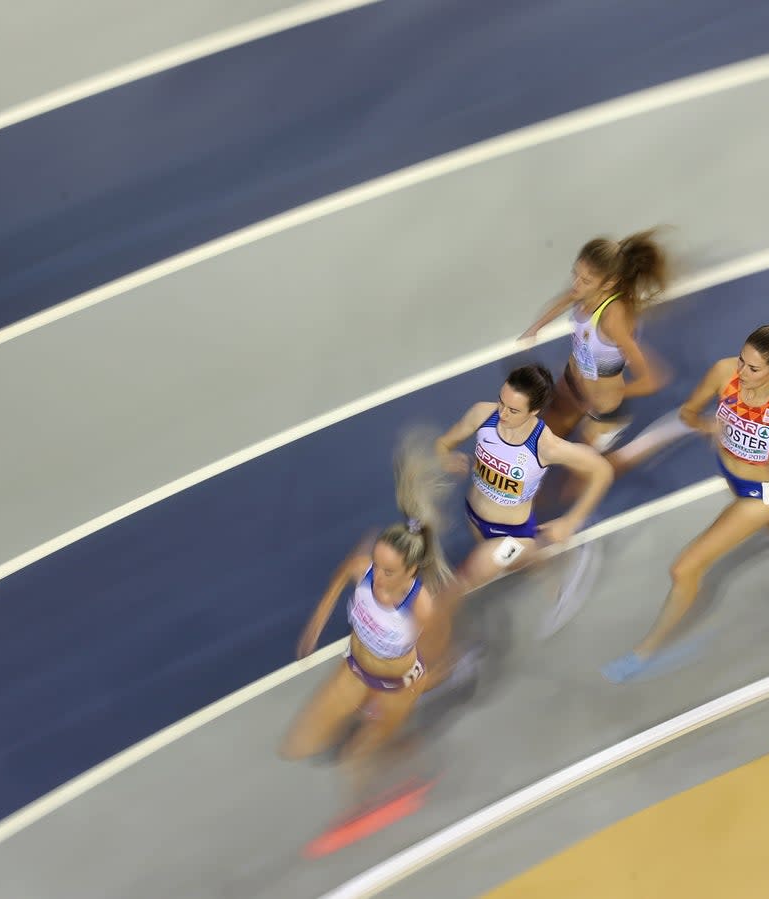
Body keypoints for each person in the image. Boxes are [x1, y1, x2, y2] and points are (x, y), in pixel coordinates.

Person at [604, 321, 769, 682]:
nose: (742, 372)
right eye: (742, 360)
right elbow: (688, 413)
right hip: (732, 477)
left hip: (760, 495)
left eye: (753, 368)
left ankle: (646, 651)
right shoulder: (724, 373)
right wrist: (707, 424)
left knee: (685, 568)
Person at [280, 430, 451, 847]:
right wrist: (314, 627)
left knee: (356, 755)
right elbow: (339, 581)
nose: (378, 576)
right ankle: (394, 744)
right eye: (378, 564)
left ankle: (358, 809)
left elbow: (430, 656)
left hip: (395, 687)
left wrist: (410, 689)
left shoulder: (421, 605)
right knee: (297, 744)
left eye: (388, 571)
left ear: (410, 572)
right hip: (354, 670)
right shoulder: (364, 567)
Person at [419, 364, 614, 674]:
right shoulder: (483, 414)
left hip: (512, 534)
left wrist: (571, 520)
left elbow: (602, 471)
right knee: (521, 563)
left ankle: (440, 661)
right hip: (475, 517)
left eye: (513, 409)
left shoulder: (545, 445)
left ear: (534, 411)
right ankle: (553, 574)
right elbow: (443, 442)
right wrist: (445, 456)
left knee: (456, 587)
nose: (503, 414)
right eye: (501, 401)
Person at [521, 230, 672, 452]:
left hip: (602, 409)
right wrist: (536, 327)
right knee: (543, 439)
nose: (576, 284)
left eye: (585, 280)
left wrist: (619, 393)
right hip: (572, 383)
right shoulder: (583, 291)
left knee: (581, 467)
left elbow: (652, 379)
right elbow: (566, 299)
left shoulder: (613, 319)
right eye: (575, 274)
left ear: (609, 283)